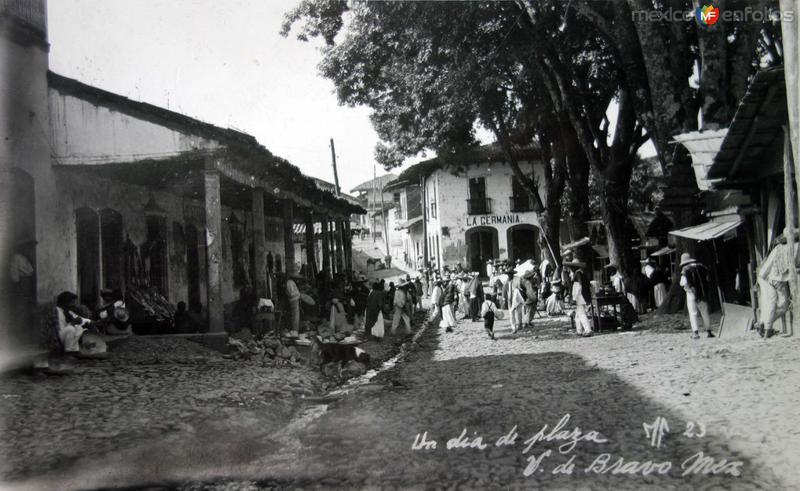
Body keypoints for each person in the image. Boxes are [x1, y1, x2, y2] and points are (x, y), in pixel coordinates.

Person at [756, 233, 797, 338]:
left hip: (768, 276)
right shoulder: (793, 248)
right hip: (776, 278)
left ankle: (764, 325)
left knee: (771, 304)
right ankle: (767, 329)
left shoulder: (778, 248)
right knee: (780, 304)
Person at [679, 253, 714, 339]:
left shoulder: (685, 269)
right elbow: (708, 278)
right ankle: (708, 331)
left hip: (691, 293)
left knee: (693, 313)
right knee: (704, 311)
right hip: (702, 292)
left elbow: (683, 283)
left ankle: (695, 332)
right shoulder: (701, 266)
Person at [571, 269, 593, 337]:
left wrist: (574, 299)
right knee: (577, 315)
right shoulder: (583, 274)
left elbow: (577, 289)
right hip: (582, 298)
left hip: (580, 298)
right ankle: (579, 330)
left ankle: (588, 330)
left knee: (581, 314)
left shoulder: (578, 274)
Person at [285, 273, 303, 338]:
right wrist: (298, 294)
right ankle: (295, 330)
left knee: (296, 315)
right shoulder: (289, 282)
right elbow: (291, 293)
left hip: (294, 299)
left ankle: (295, 330)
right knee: (295, 315)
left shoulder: (291, 282)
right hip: (293, 300)